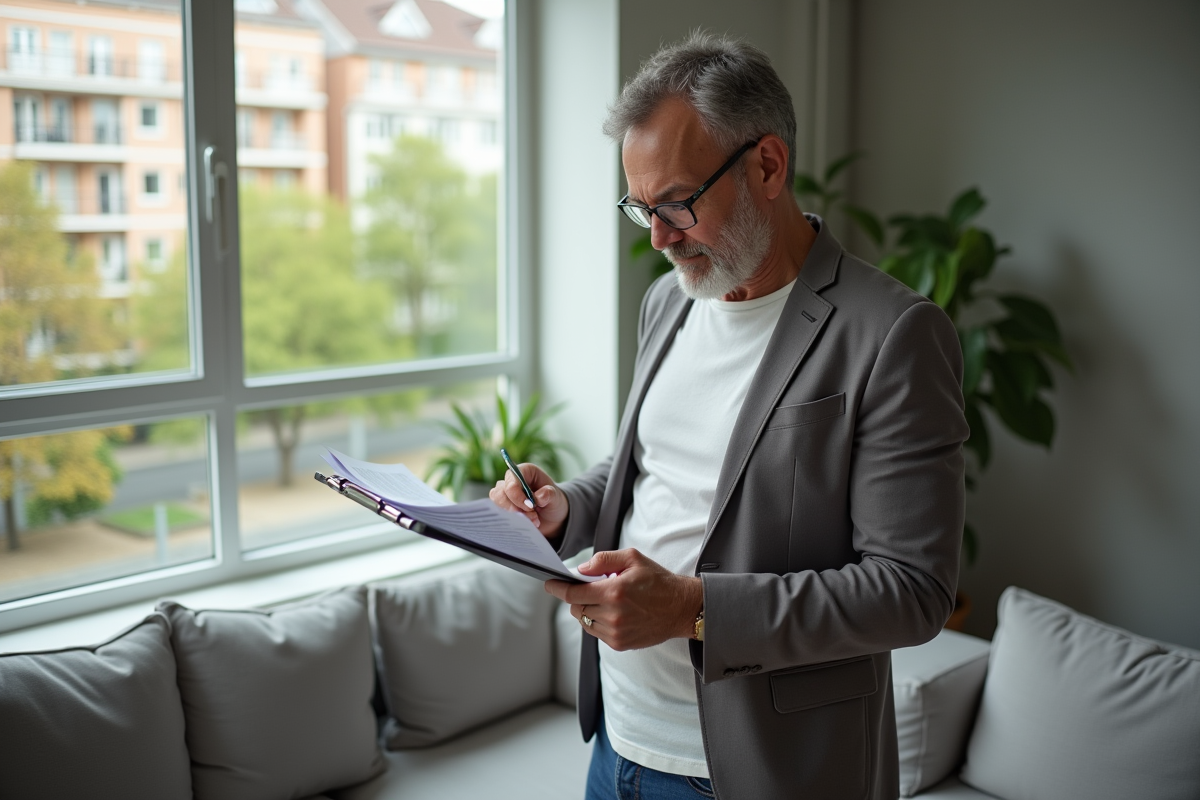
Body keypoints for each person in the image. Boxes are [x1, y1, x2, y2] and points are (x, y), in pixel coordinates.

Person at [490, 32, 968, 800]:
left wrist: (693, 609)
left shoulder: (892, 333)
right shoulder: (668, 302)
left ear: (768, 166)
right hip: (617, 741)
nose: (658, 238)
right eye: (641, 209)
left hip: (760, 771)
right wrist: (566, 507)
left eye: (678, 203)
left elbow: (911, 591)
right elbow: (649, 467)